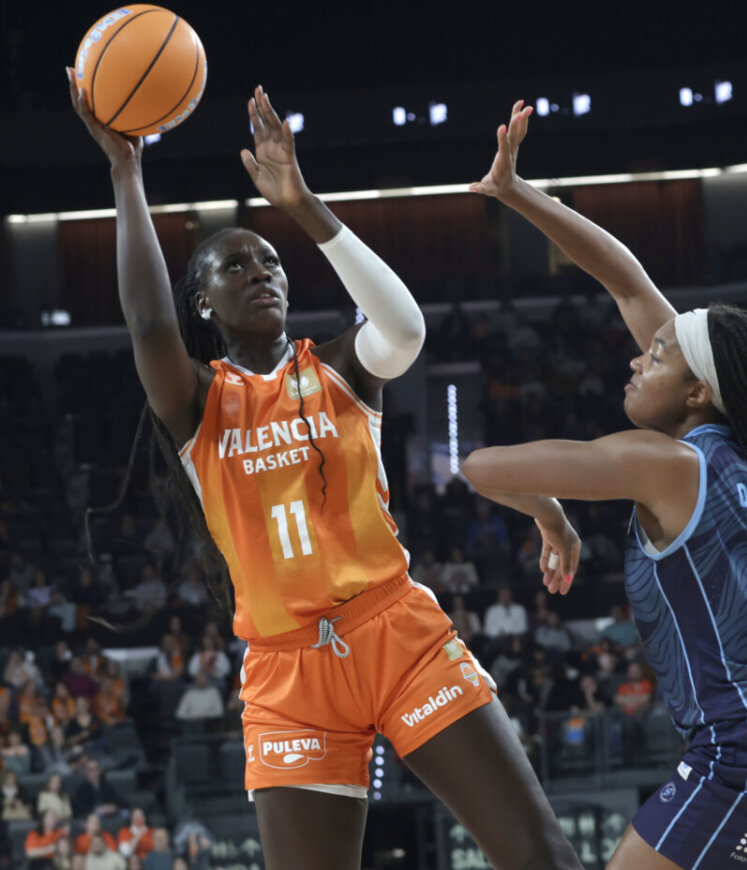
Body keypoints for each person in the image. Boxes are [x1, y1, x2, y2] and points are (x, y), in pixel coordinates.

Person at [68, 75, 580, 870]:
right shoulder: (198, 402)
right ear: (202, 304)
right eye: (234, 267)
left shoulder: (338, 366)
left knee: (540, 855)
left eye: (270, 261)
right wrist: (125, 173)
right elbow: (143, 320)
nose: (261, 272)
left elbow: (404, 331)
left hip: (397, 633)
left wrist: (304, 207)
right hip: (285, 671)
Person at [462, 100, 747, 869]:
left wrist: (553, 517)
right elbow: (627, 283)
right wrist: (515, 192)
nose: (637, 358)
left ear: (697, 392)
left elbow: (480, 467)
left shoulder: (660, 462)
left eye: (655, 358)